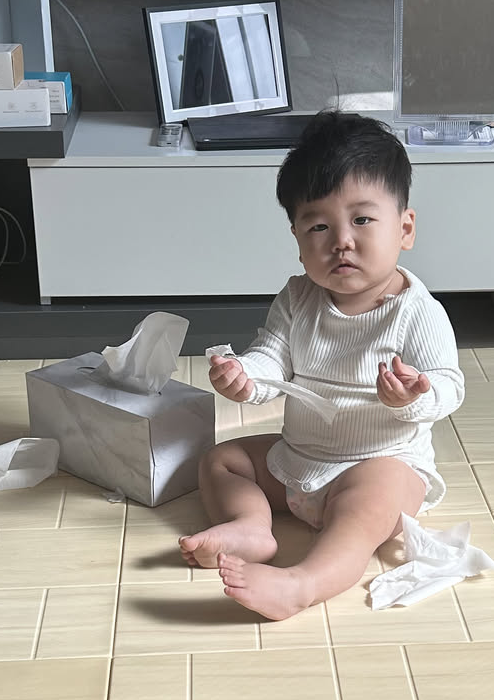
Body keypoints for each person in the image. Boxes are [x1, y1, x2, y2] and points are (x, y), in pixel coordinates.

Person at [180, 111, 465, 619]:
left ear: (404, 228)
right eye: (319, 226)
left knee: (368, 504)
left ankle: (303, 583)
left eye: (362, 220)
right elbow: (272, 356)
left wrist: (415, 394)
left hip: (381, 460)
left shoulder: (417, 311)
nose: (341, 241)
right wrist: (246, 377)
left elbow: (449, 385)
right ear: (296, 238)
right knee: (223, 459)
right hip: (301, 457)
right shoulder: (297, 298)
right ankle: (251, 526)